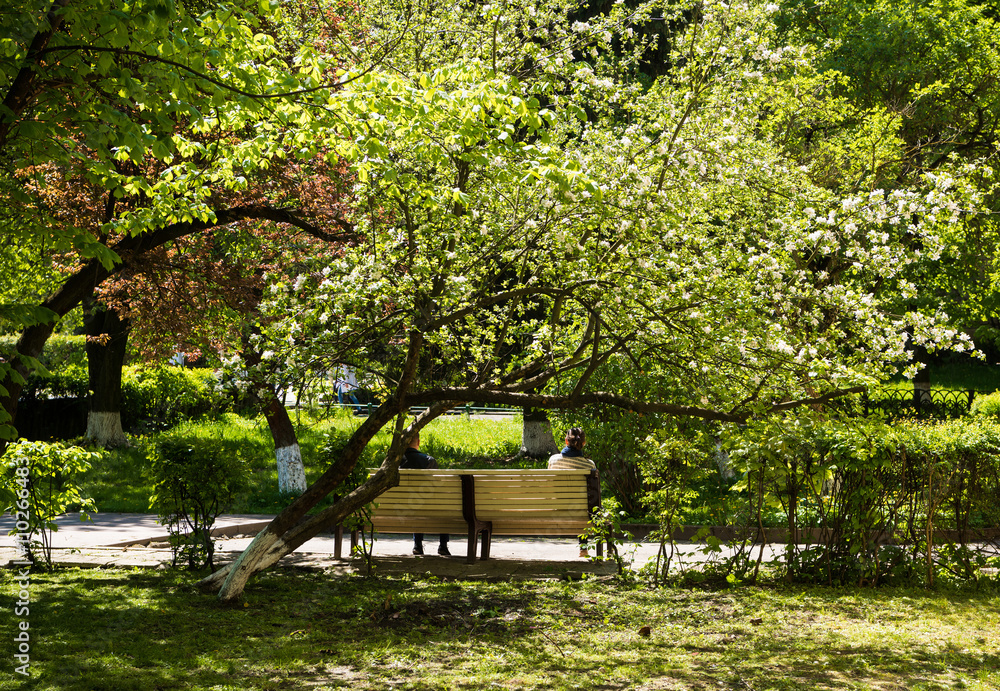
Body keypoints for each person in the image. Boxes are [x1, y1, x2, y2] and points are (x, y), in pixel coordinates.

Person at [548, 427, 597, 557]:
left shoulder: (553, 460)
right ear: (584, 443)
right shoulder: (590, 465)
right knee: (582, 507)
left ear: (566, 441)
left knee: (574, 504)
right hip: (580, 511)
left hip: (556, 509)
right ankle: (583, 549)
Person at [400, 432, 451, 556]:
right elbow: (436, 487)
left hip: (402, 506)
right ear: (418, 443)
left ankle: (417, 545)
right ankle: (443, 545)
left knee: (416, 504)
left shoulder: (394, 462)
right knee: (443, 506)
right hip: (427, 505)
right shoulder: (429, 461)